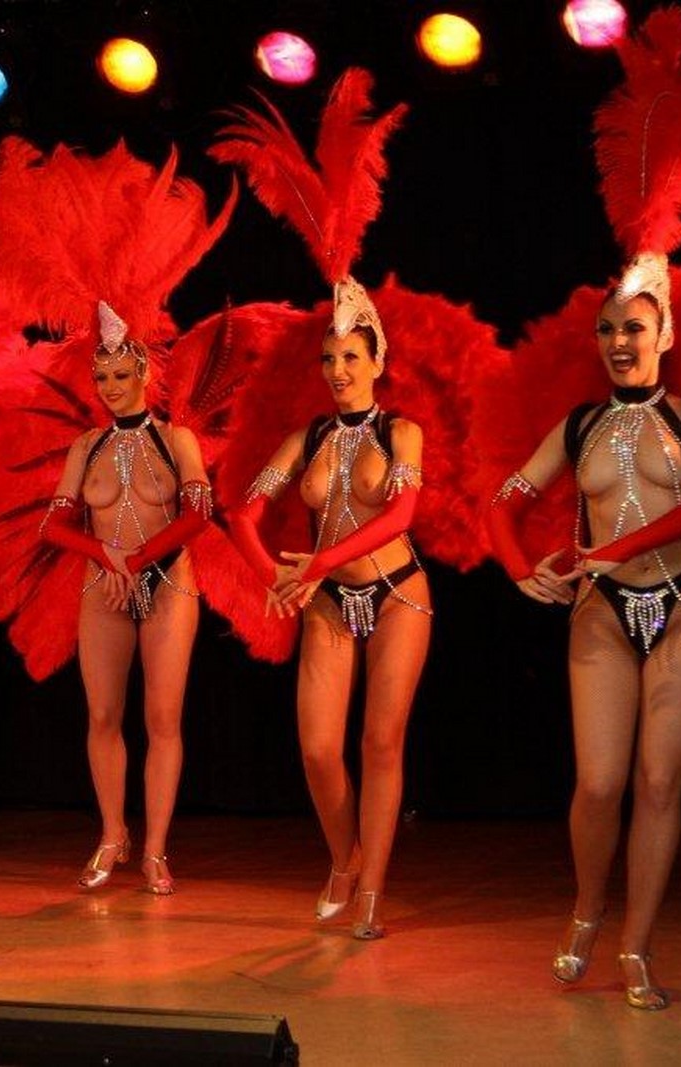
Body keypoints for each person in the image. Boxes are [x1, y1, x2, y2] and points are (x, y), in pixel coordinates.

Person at [486, 262, 681, 1010]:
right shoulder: (580, 424)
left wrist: (619, 548)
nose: (619, 341)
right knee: (599, 784)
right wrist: (518, 569)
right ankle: (587, 909)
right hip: (602, 610)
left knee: (658, 783)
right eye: (607, 329)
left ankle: (637, 943)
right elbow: (502, 501)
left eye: (634, 327)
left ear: (666, 334)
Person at [229, 281, 431, 939]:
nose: (337, 371)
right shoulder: (307, 437)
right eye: (328, 359)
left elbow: (400, 515)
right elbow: (242, 514)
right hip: (329, 601)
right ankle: (346, 860)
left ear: (377, 361)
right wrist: (277, 576)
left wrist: (315, 563)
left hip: (398, 592)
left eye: (350, 357)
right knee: (318, 749)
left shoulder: (402, 433)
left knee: (380, 743)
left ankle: (372, 890)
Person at [39, 302, 212, 895]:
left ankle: (156, 849)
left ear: (144, 373)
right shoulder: (86, 446)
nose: (110, 387)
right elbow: (55, 526)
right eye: (101, 378)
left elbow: (198, 514)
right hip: (104, 586)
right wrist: (105, 555)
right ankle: (113, 834)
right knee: (102, 715)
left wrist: (135, 561)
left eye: (120, 375)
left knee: (162, 718)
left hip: (168, 584)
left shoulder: (176, 439)